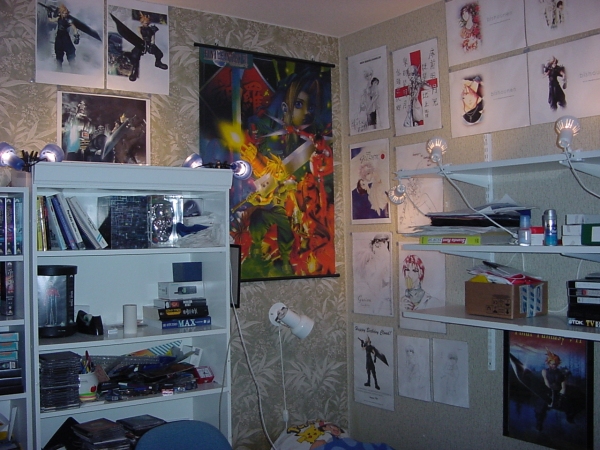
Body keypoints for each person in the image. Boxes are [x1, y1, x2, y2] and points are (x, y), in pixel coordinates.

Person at [128, 12, 168, 82]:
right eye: (145, 23)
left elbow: (153, 36)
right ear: (142, 22)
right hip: (141, 43)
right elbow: (140, 35)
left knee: (159, 53)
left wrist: (152, 44)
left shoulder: (152, 29)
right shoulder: (140, 28)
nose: (146, 24)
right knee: (135, 55)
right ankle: (134, 69)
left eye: (147, 23)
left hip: (149, 43)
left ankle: (158, 62)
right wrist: (142, 42)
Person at [47, 4, 80, 70]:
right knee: (58, 52)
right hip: (59, 37)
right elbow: (51, 20)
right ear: (61, 13)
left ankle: (73, 67)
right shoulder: (58, 18)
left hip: (65, 38)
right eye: (63, 13)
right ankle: (59, 68)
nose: (65, 14)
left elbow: (74, 28)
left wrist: (76, 36)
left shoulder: (68, 20)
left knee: (70, 52)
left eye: (66, 13)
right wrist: (49, 13)